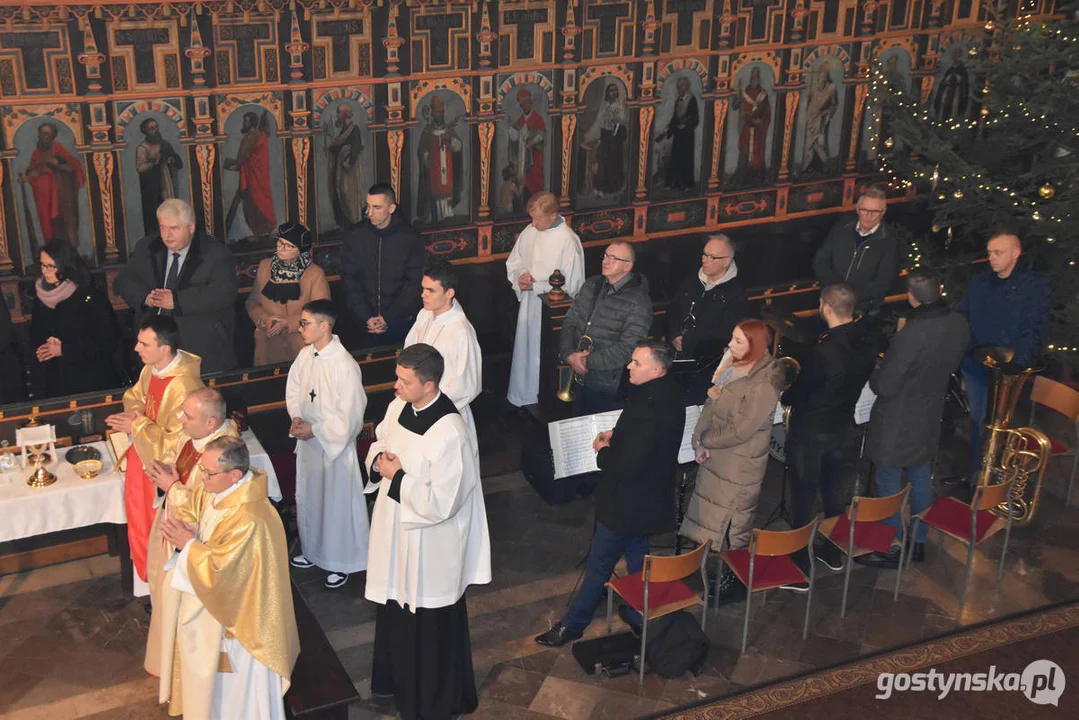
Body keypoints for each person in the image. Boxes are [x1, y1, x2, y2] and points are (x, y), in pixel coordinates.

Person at [364, 344, 491, 720]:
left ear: (429, 384)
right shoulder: (399, 407)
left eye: (404, 381)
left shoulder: (451, 432)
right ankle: (396, 684)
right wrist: (378, 462)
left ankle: (433, 703)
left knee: (429, 619)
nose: (396, 386)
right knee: (395, 605)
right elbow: (381, 441)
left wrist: (398, 477)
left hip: (432, 542)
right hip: (396, 531)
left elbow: (445, 501)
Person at [535, 340, 684, 646]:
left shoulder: (647, 406)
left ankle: (574, 624)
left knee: (600, 564)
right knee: (637, 556)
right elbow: (647, 439)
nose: (629, 366)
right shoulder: (669, 393)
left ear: (656, 369)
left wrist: (603, 451)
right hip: (651, 499)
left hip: (626, 502)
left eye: (637, 363)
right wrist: (619, 434)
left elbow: (627, 465)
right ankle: (638, 612)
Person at [157, 437, 300, 719]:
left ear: (235, 475)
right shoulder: (218, 493)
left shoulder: (250, 517)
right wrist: (188, 530)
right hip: (220, 613)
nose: (202, 478)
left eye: (208, 473)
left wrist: (189, 545)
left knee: (239, 703)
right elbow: (200, 519)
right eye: (202, 470)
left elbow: (224, 573)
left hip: (243, 632)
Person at [857, 270, 969, 569]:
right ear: (940, 289)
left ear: (911, 296)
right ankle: (919, 542)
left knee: (889, 481)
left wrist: (877, 371)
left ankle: (892, 546)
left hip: (897, 420)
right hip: (929, 413)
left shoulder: (912, 334)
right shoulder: (958, 323)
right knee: (921, 477)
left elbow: (885, 386)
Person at [680, 320, 784, 604]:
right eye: (732, 338)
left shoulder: (766, 381)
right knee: (710, 518)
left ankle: (734, 582)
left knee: (732, 525)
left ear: (756, 345)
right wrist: (698, 434)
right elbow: (712, 400)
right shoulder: (731, 362)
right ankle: (709, 572)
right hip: (717, 456)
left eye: (738, 341)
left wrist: (706, 441)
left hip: (739, 464)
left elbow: (742, 429)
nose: (730, 345)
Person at [782, 284, 878, 576]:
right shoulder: (867, 343)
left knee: (804, 496)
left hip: (810, 434)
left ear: (825, 307)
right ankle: (833, 551)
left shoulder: (824, 352)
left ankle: (800, 560)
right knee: (834, 494)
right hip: (842, 430)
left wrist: (786, 394)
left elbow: (799, 392)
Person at [143, 387, 239, 677]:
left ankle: (186, 670)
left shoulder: (223, 454)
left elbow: (206, 509)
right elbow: (177, 461)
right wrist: (165, 473)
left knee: (179, 605)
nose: (180, 419)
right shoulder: (194, 436)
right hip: (171, 526)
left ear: (211, 422)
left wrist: (172, 486)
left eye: (188, 415)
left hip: (197, 548)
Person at [105, 316, 203, 594]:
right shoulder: (152, 369)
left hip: (164, 471)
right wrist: (135, 415)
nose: (136, 348)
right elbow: (136, 396)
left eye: (143, 343)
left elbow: (177, 442)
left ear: (165, 349)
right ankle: (150, 581)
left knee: (156, 526)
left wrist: (136, 425)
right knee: (139, 518)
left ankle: (163, 586)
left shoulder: (184, 386)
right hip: (143, 454)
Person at [286, 299, 369, 589]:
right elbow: (294, 388)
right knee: (311, 500)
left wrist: (318, 430)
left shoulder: (344, 364)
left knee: (335, 506)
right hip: (309, 444)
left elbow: (352, 414)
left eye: (305, 323)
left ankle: (340, 561)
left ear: (325, 326)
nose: (301, 329)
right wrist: (297, 418)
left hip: (333, 448)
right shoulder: (306, 355)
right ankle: (314, 551)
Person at [957, 231, 1049, 481]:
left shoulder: (1033, 286)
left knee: (1001, 425)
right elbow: (963, 317)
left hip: (1008, 367)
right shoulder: (980, 283)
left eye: (998, 252)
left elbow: (1034, 327)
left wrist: (1019, 361)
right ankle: (979, 474)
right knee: (979, 421)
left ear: (1015, 253)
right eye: (989, 252)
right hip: (977, 363)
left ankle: (996, 478)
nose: (991, 258)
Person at [113, 198, 239, 373]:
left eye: (174, 228)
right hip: (155, 343)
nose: (167, 235)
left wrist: (177, 301)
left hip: (199, 343)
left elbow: (224, 293)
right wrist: (145, 297)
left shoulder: (215, 253)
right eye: (163, 227)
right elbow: (124, 280)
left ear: (191, 227)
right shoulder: (148, 247)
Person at [506, 191, 585, 407]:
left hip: (553, 309)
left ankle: (542, 401)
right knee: (526, 353)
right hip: (530, 304)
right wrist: (520, 276)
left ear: (553, 215)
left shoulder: (568, 240)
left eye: (538, 218)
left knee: (543, 356)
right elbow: (515, 261)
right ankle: (523, 397)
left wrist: (538, 286)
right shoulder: (529, 231)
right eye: (532, 217)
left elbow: (573, 285)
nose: (534, 222)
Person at [558, 241, 652, 414]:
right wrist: (569, 353)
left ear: (627, 266)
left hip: (607, 384)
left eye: (613, 258)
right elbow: (570, 321)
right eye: (606, 255)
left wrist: (587, 361)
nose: (606, 261)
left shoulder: (639, 302)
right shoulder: (591, 284)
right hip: (580, 375)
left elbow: (629, 347)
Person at [29, 238, 119, 398]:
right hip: (54, 383)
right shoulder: (39, 297)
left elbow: (107, 342)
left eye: (51, 266)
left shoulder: (90, 298)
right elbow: (35, 334)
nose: (44, 271)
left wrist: (63, 349)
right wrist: (46, 344)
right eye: (42, 265)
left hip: (90, 382)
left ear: (65, 266)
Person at [404, 261, 482, 445]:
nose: (423, 295)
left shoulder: (461, 331)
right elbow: (409, 353)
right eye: (423, 289)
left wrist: (428, 402)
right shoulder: (425, 314)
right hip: (417, 404)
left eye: (430, 290)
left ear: (449, 293)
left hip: (445, 415)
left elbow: (468, 385)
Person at [666, 234, 749, 404]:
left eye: (712, 257)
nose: (705, 260)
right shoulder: (691, 280)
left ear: (726, 261)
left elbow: (726, 332)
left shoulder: (736, 293)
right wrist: (674, 334)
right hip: (675, 356)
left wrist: (690, 339)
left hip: (704, 367)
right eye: (704, 254)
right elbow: (674, 309)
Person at [340, 183, 426, 346]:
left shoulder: (409, 237)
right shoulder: (355, 236)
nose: (369, 213)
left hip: (401, 322)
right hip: (362, 323)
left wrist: (389, 318)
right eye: (368, 206)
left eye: (377, 207)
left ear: (391, 208)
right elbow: (349, 279)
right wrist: (366, 316)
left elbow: (414, 283)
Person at [246, 222, 331, 365]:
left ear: (300, 249)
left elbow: (322, 314)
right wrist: (263, 319)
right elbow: (252, 302)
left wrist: (289, 323)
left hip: (301, 346)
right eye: (279, 242)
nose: (281, 248)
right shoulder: (264, 267)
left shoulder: (315, 274)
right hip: (268, 345)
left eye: (288, 245)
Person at [812, 185, 901, 317]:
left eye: (875, 211)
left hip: (863, 310)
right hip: (831, 302)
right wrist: (834, 290)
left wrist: (848, 296)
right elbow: (820, 261)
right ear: (857, 209)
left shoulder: (890, 241)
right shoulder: (841, 228)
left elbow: (883, 283)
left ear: (883, 212)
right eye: (864, 210)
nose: (869, 216)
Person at [19, 121, 84, 246]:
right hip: (42, 198)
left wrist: (54, 164)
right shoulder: (36, 153)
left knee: (62, 225)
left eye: (47, 134)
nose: (44, 137)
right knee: (46, 225)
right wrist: (28, 176)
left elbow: (71, 166)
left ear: (53, 136)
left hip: (60, 197)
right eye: (42, 134)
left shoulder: (58, 148)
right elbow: (32, 171)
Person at [223, 111, 276, 239]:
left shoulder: (250, 137)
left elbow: (241, 159)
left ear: (252, 122)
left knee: (253, 205)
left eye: (246, 121)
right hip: (260, 178)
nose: (244, 123)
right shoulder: (262, 135)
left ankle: (260, 234)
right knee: (259, 203)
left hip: (252, 178)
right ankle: (264, 233)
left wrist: (230, 164)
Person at [416, 94, 464, 224]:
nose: (440, 114)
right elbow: (421, 150)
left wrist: (451, 140)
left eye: (442, 112)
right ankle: (434, 215)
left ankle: (447, 212)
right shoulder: (427, 130)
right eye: (437, 112)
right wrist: (426, 156)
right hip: (434, 167)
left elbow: (458, 147)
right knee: (435, 188)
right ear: (433, 113)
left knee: (447, 188)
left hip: (447, 165)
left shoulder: (448, 129)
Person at [135, 117, 183, 238]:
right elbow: (140, 167)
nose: (155, 130)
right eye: (152, 129)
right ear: (145, 131)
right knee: (155, 215)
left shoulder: (164, 144)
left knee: (171, 211)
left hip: (167, 183)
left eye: (156, 127)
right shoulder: (143, 148)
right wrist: (153, 162)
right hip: (152, 188)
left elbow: (176, 160)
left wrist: (172, 159)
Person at [656, 76, 699, 190]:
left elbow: (694, 117)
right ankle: (674, 183)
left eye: (682, 85)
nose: (680, 87)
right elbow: (675, 117)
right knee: (675, 158)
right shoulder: (678, 99)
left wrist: (685, 123)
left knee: (686, 159)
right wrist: (667, 130)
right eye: (679, 85)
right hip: (679, 135)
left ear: (687, 85)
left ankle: (686, 184)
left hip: (687, 135)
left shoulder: (691, 99)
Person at [327, 103, 365, 228]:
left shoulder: (354, 129)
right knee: (341, 194)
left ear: (344, 115)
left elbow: (356, 148)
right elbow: (336, 147)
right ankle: (346, 224)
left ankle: (353, 223)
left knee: (349, 195)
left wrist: (346, 158)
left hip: (349, 171)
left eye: (339, 113)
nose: (337, 116)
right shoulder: (344, 129)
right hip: (341, 170)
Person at [508, 86, 546, 206]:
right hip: (522, 156)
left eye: (527, 103)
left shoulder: (537, 118)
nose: (526, 105)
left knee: (534, 179)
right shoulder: (521, 119)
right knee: (521, 178)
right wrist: (511, 128)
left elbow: (541, 135)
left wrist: (531, 142)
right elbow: (515, 135)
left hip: (534, 157)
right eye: (523, 103)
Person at [735, 67, 771, 179]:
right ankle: (743, 175)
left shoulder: (763, 95)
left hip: (757, 131)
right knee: (744, 150)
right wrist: (737, 97)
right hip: (747, 129)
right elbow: (735, 106)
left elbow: (767, 113)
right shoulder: (745, 93)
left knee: (757, 151)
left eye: (757, 75)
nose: (754, 77)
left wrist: (761, 121)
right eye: (753, 75)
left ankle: (757, 176)